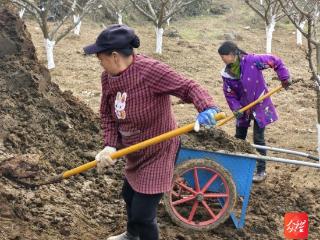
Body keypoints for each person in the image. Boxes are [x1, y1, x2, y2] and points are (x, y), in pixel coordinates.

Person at [83, 24, 221, 240]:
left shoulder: (150, 71)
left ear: (115, 56)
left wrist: (207, 107)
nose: (99, 62)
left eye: (100, 57)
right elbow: (107, 114)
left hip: (159, 150)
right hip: (135, 149)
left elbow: (188, 86)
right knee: (128, 195)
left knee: (143, 214)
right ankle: (131, 236)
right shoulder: (108, 78)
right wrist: (109, 145)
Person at [217, 41, 291, 183]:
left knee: (258, 138)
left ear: (232, 54)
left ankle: (261, 170)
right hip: (243, 109)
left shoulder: (252, 61)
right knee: (239, 137)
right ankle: (235, 166)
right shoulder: (227, 73)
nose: (222, 60)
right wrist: (236, 108)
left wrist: (284, 78)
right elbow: (229, 93)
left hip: (260, 105)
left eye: (223, 56)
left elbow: (275, 61)